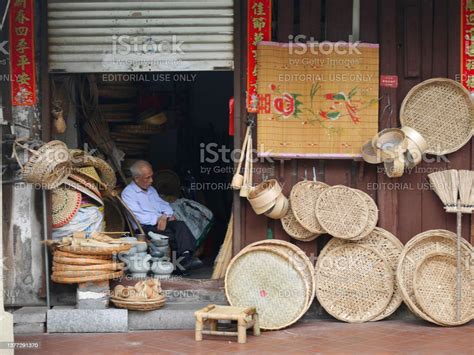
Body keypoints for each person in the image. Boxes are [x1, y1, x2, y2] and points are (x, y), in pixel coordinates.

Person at [121, 160, 201, 272]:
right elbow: (138, 217)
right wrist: (158, 219)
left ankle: (185, 258)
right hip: (144, 228)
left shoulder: (151, 190)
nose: (151, 180)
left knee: (180, 225)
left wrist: (165, 216)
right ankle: (182, 263)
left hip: (161, 222)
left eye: (151, 176)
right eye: (147, 178)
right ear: (136, 178)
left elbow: (165, 205)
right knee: (172, 235)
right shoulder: (128, 193)